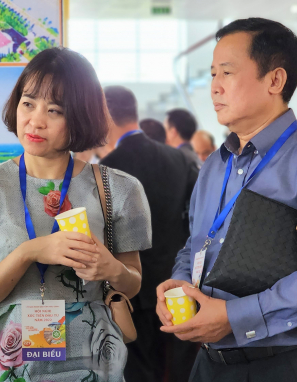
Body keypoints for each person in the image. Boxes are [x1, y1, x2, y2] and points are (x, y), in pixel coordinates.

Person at [156, 18, 297, 382]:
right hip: (210, 364)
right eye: (212, 74)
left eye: (226, 73)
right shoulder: (215, 163)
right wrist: (179, 284)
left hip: (285, 363)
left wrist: (236, 316)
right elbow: (196, 243)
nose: (214, 87)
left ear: (274, 80)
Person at [0, 47, 152, 382]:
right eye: (28, 103)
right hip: (8, 365)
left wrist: (111, 268)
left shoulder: (120, 189)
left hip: (92, 360)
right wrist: (31, 251)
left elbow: (131, 283)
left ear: (82, 116)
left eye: (54, 110)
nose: (35, 120)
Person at [100, 86, 199, 382]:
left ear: (104, 115)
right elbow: (197, 222)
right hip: (179, 285)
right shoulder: (180, 159)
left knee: (140, 370)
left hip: (132, 289)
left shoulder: (106, 170)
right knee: (180, 367)